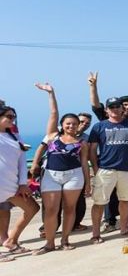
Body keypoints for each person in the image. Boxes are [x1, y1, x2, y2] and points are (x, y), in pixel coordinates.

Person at [33, 83, 91, 254]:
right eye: (68, 123)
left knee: (69, 208)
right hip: (51, 175)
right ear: (62, 124)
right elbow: (53, 113)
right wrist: (51, 93)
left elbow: (84, 164)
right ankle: (49, 243)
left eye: (74, 124)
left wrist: (88, 184)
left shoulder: (82, 143)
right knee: (51, 209)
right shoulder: (53, 135)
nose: (71, 126)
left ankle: (65, 240)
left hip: (74, 176)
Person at [88, 96, 128, 243]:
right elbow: (92, 149)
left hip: (127, 170)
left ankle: (124, 228)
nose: (115, 109)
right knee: (99, 202)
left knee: (125, 200)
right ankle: (95, 233)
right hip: (106, 169)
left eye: (117, 106)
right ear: (106, 110)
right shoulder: (99, 126)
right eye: (111, 107)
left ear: (122, 108)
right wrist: (96, 167)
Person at [0, 105, 40, 261]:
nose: (12, 119)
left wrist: (23, 183)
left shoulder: (14, 136)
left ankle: (11, 241)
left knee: (32, 208)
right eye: (9, 117)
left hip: (12, 185)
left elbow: (23, 160)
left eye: (13, 116)